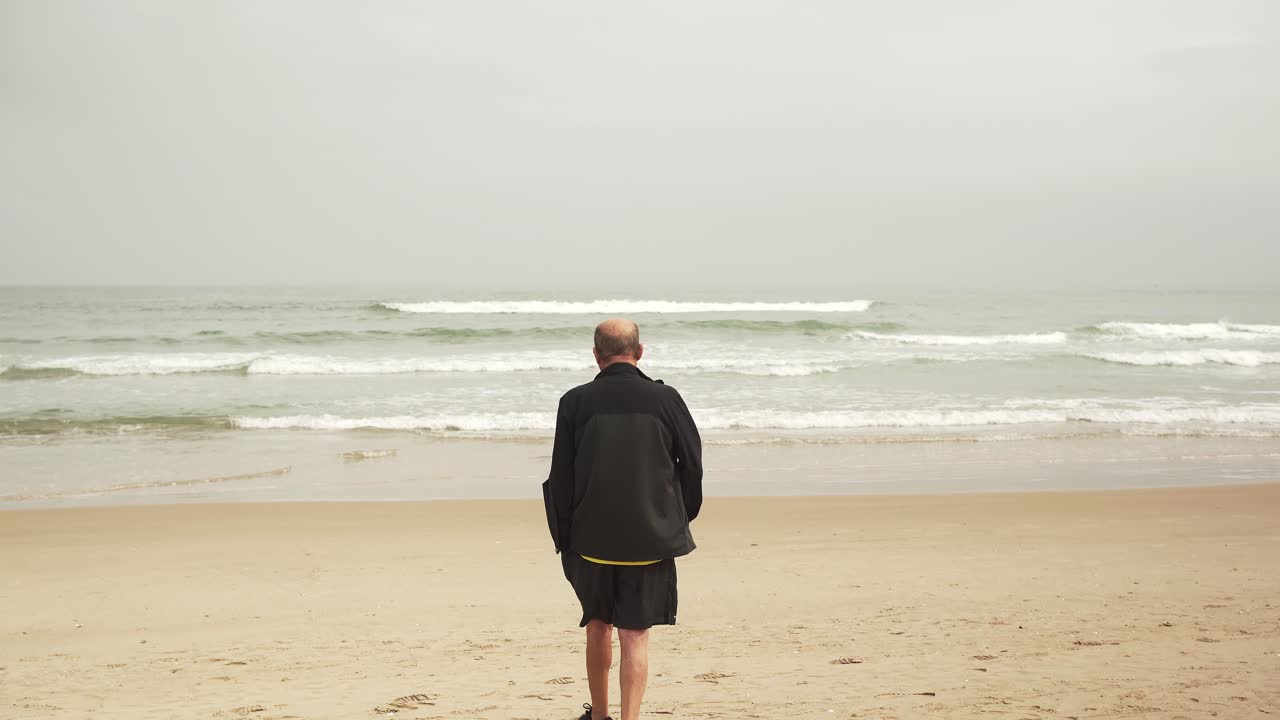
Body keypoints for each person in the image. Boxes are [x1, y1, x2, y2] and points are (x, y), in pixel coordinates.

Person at [543, 318, 703, 720]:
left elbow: (561, 476)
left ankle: (599, 716)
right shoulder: (667, 401)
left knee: (598, 626)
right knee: (635, 636)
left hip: (591, 539)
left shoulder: (575, 402)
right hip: (650, 537)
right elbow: (693, 466)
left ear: (596, 355)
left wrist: (564, 538)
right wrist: (677, 517)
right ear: (640, 351)